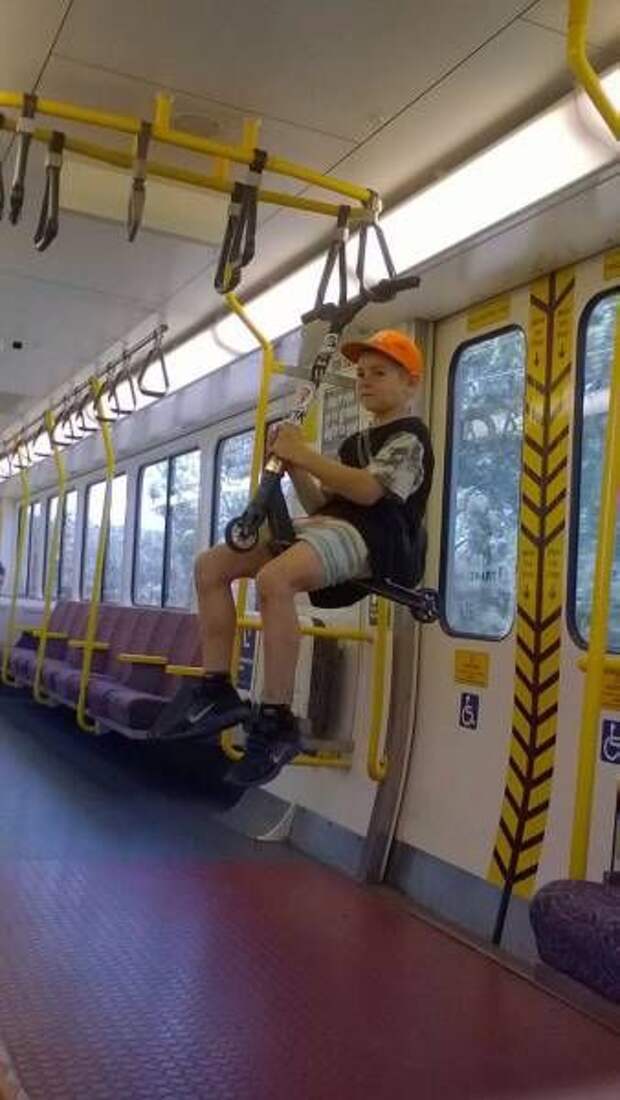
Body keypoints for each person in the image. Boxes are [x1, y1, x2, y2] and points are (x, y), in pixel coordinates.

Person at [152, 329, 434, 787]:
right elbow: (322, 503)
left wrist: (303, 452)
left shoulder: (411, 438)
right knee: (211, 566)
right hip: (330, 525)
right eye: (361, 374)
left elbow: (368, 492)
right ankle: (217, 686)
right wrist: (296, 465)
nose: (365, 381)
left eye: (379, 373)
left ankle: (277, 717)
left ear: (411, 384)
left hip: (377, 539)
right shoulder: (353, 444)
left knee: (274, 580)